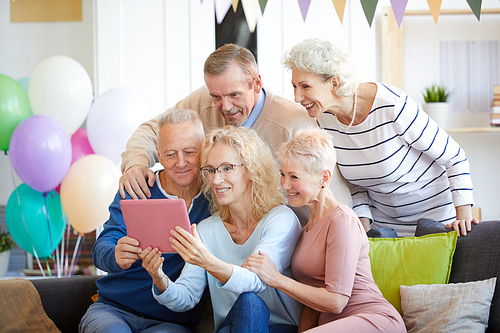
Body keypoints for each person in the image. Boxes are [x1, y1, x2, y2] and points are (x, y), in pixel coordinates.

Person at [118, 43, 352, 219]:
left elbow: (335, 200)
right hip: (224, 228)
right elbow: (154, 129)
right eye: (216, 96)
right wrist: (136, 162)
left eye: (234, 95)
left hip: (289, 237)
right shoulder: (203, 100)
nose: (225, 106)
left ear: (256, 84)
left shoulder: (293, 122)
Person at [281, 37, 478, 237]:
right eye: (294, 86)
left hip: (435, 221)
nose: (297, 97)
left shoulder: (392, 106)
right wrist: (364, 231)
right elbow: (356, 184)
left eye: (305, 86)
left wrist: (462, 217)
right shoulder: (324, 119)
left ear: (334, 82)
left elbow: (454, 157)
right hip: (385, 230)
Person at [141, 126, 302, 333]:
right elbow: (187, 297)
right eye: (210, 170)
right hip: (233, 327)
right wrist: (159, 278)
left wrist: (207, 261)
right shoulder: (207, 230)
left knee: (250, 301)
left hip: (281, 328)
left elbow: (255, 281)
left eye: (227, 168)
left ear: (252, 169)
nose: (216, 180)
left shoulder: (281, 219)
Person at [243, 128, 406, 332]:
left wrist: (276, 279)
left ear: (324, 178)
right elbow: (311, 305)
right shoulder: (305, 230)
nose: (285, 185)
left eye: (294, 177)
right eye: (283, 174)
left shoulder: (342, 220)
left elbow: (336, 301)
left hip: (374, 320)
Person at [79, 109, 211, 333]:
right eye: (170, 154)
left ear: (204, 149)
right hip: (114, 309)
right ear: (158, 153)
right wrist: (115, 255)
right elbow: (102, 247)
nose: (181, 163)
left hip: (171, 320)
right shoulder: (138, 187)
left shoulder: (214, 200)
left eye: (189, 152)